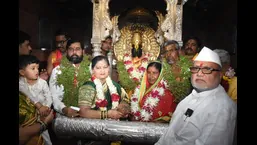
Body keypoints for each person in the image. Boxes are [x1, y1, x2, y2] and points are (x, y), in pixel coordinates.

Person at [155, 47, 237, 145]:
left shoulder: (221, 108)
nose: (199, 73)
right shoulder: (190, 98)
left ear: (220, 75)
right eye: (196, 68)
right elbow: (168, 135)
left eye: (207, 69)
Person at [78, 55, 130, 119]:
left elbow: (125, 99)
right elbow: (83, 112)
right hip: (93, 126)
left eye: (105, 67)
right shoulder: (88, 87)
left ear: (109, 68)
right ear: (92, 70)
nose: (102, 71)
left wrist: (123, 106)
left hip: (113, 125)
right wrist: (107, 114)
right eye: (98, 68)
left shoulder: (115, 86)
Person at [49, 39, 91, 118]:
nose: (74, 52)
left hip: (88, 114)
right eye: (71, 49)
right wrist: (65, 109)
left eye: (77, 49)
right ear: (67, 51)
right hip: (64, 115)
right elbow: (54, 96)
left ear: (83, 51)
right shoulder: (58, 71)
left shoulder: (91, 69)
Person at [19, 55, 53, 145]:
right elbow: (28, 95)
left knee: (46, 138)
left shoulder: (42, 83)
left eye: (37, 68)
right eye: (33, 68)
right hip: (28, 120)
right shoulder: (21, 84)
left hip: (42, 116)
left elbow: (49, 96)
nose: (37, 71)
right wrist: (39, 106)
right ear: (22, 72)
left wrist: (46, 107)